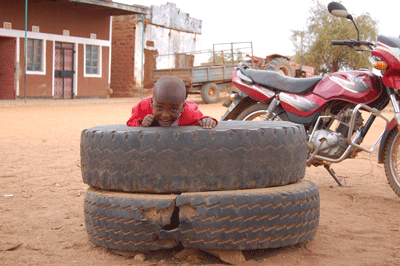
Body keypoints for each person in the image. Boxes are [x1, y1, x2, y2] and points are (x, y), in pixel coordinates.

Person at [126, 75, 218, 128]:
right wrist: (141, 123)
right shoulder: (144, 106)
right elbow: (130, 122)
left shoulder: (189, 113)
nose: (165, 115)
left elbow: (200, 119)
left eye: (173, 109)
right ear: (152, 103)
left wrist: (207, 121)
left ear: (182, 107)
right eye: (159, 107)